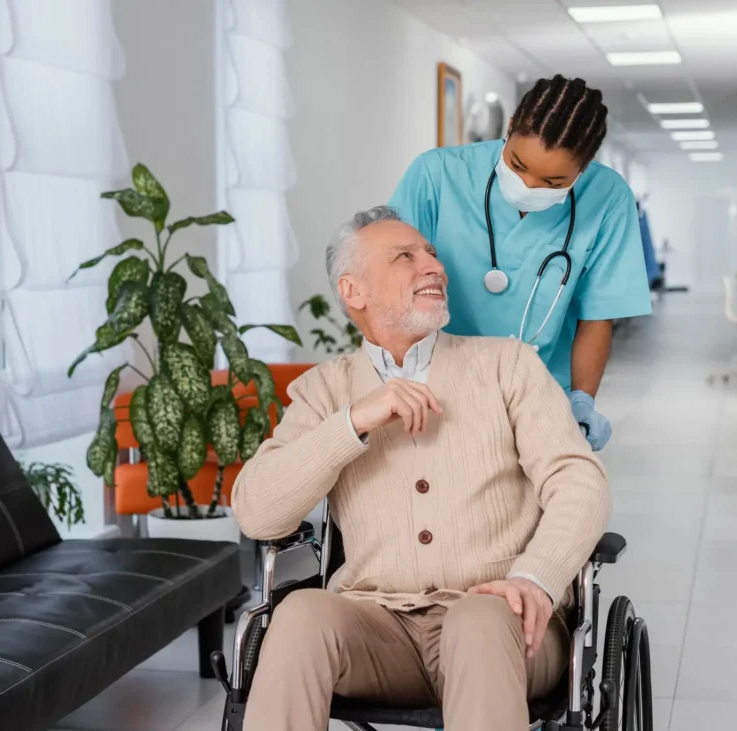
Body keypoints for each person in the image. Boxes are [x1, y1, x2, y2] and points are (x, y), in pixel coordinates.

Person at [233, 206, 610, 731]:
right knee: (300, 614)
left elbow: (578, 479)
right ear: (354, 291)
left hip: (504, 625)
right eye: (404, 257)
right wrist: (355, 422)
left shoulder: (508, 365)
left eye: (430, 254)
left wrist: (537, 577)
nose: (433, 266)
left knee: (478, 621)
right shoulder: (325, 389)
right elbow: (257, 514)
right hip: (377, 629)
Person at [388, 75, 652, 451]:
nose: (529, 186)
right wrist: (401, 379)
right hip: (434, 384)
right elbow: (393, 283)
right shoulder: (437, 175)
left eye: (553, 181)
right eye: (517, 164)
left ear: (585, 166)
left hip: (541, 391)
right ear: (509, 127)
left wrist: (582, 400)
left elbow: (598, 315)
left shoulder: (608, 198)